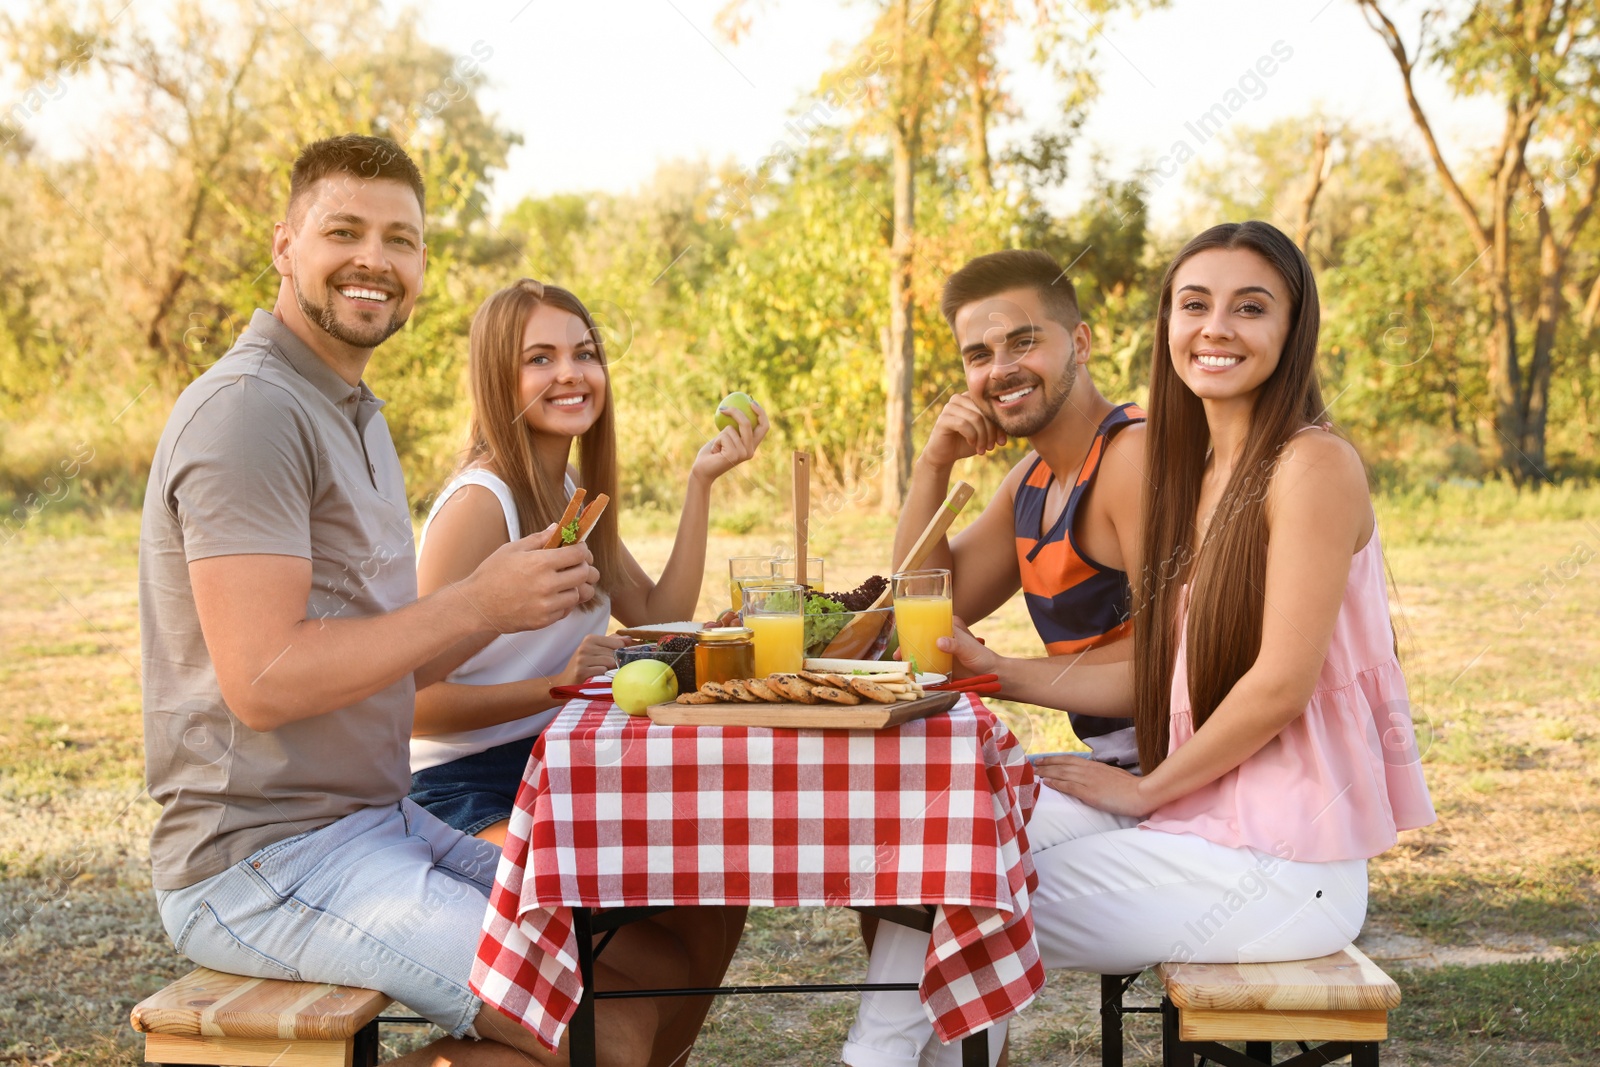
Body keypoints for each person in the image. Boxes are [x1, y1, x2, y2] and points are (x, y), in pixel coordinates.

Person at [140, 134, 729, 1067]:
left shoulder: (352, 412)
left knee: (648, 962)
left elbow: (390, 662)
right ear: (284, 243)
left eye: (401, 240)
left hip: (376, 822)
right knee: (603, 1029)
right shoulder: (249, 410)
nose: (375, 260)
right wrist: (481, 606)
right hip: (262, 864)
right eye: (345, 231)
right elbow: (258, 680)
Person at [843, 221, 1436, 1067]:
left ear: (1293, 327)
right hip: (1201, 821)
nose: (1216, 327)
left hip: (1282, 858)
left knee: (955, 891)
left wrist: (1144, 788)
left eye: (1250, 307)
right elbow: (928, 602)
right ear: (1168, 325)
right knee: (943, 848)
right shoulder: (1202, 474)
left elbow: (1280, 685)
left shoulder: (1312, 465)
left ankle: (873, 1060)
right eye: (1194, 304)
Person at [408, 277, 768, 847]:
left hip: (555, 750)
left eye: (585, 353)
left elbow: (657, 612)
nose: (571, 372)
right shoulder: (480, 503)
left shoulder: (571, 490)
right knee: (579, 886)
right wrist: (557, 686)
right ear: (499, 378)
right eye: (540, 358)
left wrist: (700, 482)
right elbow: (411, 706)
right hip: (459, 781)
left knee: (705, 863)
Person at [891, 249, 1146, 769]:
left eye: (1024, 342)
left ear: (1080, 342)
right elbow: (924, 602)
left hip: (1186, 775)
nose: (1002, 370)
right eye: (978, 356)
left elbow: (1176, 664)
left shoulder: (1132, 458)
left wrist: (996, 671)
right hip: (1117, 764)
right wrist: (931, 467)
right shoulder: (1028, 483)